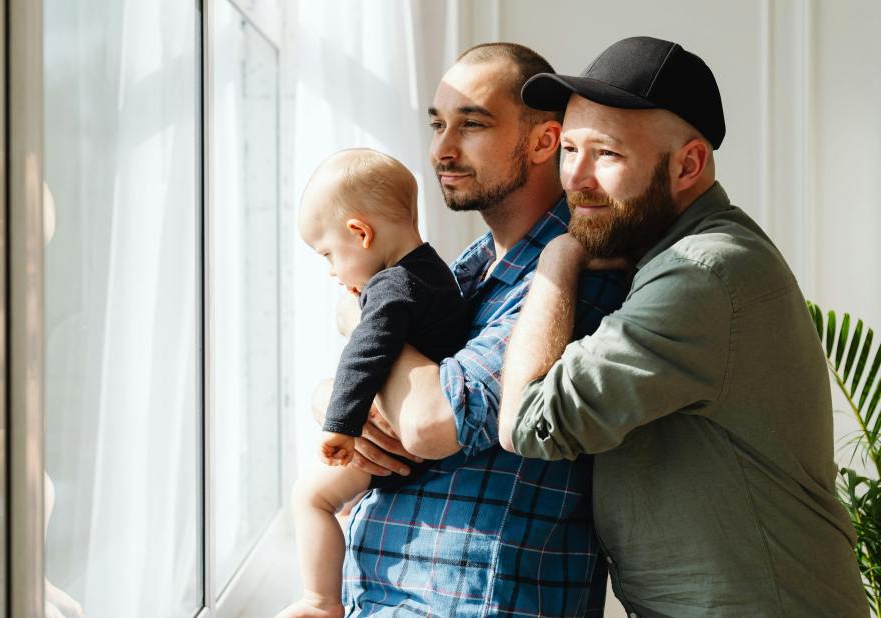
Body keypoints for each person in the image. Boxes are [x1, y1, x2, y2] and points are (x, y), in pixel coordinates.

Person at [500, 36, 867, 617]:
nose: (577, 177)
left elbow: (529, 422)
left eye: (608, 154)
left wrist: (556, 262)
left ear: (688, 164)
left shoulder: (703, 273)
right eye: (569, 148)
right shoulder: (666, 256)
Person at [310, 44, 629, 616]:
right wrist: (341, 407)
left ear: (542, 141)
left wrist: (359, 322)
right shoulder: (471, 266)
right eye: (437, 124)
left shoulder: (570, 277)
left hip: (466, 603)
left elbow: (430, 421)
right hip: (388, 596)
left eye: (471, 124)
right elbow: (381, 377)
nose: (441, 150)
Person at [279, 148, 467, 618]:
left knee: (311, 497)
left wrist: (340, 424)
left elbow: (368, 352)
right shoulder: (438, 275)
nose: (331, 272)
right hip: (423, 446)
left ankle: (320, 602)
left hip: (408, 443)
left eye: (329, 256)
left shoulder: (390, 286)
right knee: (338, 501)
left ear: (359, 233)